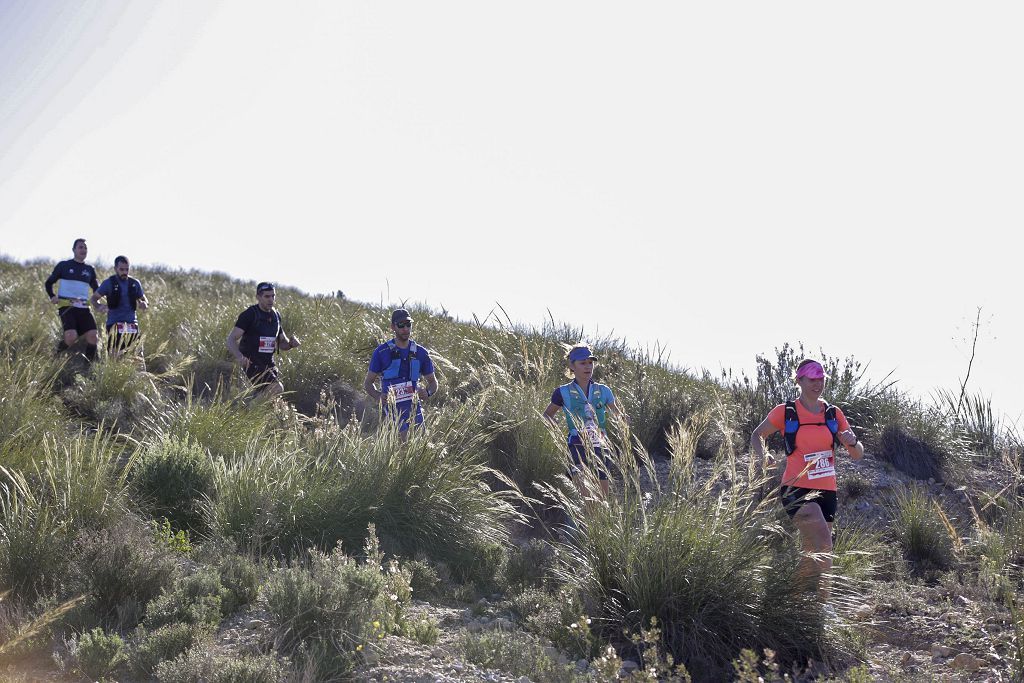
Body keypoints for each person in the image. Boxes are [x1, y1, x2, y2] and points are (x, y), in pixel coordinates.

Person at [749, 358, 864, 598]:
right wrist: (764, 455)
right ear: (799, 380)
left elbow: (857, 454)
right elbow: (757, 435)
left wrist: (852, 442)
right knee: (825, 543)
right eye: (812, 378)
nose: (817, 383)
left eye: (821, 378)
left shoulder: (834, 413)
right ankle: (825, 604)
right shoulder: (786, 411)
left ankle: (794, 600)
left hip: (827, 491)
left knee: (811, 553)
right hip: (796, 489)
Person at [543, 345, 626, 501]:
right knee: (585, 496)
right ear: (571, 366)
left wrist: (623, 419)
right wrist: (558, 433)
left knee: (602, 498)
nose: (588, 366)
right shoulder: (562, 392)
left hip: (601, 446)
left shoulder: (604, 390)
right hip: (577, 445)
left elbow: (617, 414)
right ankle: (580, 523)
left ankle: (597, 523)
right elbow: (547, 415)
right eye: (582, 363)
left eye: (590, 362)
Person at [363, 308, 438, 437]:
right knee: (403, 440)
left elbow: (433, 382)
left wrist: (428, 392)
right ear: (393, 327)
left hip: (414, 407)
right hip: (391, 408)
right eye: (401, 325)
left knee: (419, 441)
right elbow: (368, 383)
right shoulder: (381, 352)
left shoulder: (421, 353)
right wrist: (377, 396)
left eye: (408, 324)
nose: (405, 329)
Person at [226, 282, 301, 397]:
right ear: (258, 297)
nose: (271, 299)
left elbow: (283, 344)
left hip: (269, 364)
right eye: (267, 296)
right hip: (252, 362)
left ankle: (247, 408)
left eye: (273, 296)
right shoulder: (250, 315)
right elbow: (231, 339)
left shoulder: (276, 316)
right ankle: (250, 409)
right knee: (277, 388)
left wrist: (291, 343)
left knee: (269, 396)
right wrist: (240, 357)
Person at [44, 238, 101, 362]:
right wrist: (52, 296)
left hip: (84, 308)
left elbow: (97, 290)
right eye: (80, 247)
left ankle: (88, 364)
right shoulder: (63, 265)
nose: (83, 250)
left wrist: (100, 303)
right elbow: (48, 283)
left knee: (93, 337)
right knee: (71, 337)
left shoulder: (90, 269)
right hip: (66, 307)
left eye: (85, 248)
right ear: (73, 250)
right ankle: (55, 355)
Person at [91, 255, 149, 356]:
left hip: (132, 325)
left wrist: (144, 304)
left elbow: (144, 299)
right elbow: (93, 299)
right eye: (121, 269)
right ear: (115, 269)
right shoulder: (108, 283)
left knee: (137, 357)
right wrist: (99, 306)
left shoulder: (135, 283)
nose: (124, 272)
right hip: (114, 325)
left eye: (127, 269)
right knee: (114, 358)